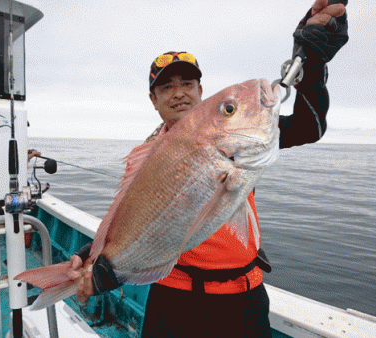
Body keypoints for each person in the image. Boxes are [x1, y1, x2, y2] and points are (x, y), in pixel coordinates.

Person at [69, 1, 349, 337]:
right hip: (175, 301)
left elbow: (309, 126)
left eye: (187, 84)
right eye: (166, 87)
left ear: (201, 91)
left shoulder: (239, 137)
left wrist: (312, 61)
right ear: (153, 100)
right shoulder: (142, 155)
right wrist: (91, 256)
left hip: (245, 297)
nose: (178, 94)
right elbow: (130, 217)